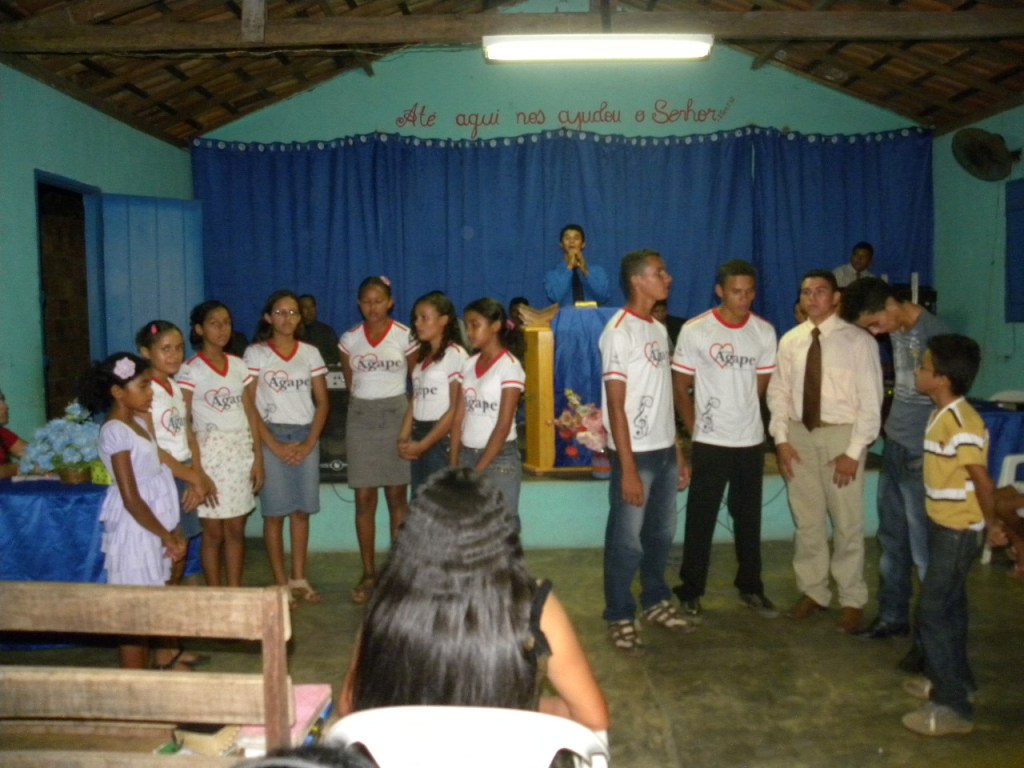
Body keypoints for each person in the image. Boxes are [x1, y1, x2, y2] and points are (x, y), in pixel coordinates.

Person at [339, 468, 610, 741]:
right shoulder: (534, 605)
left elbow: (350, 706)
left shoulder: (387, 597)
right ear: (503, 537)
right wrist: (518, 711)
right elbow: (593, 717)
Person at [766, 270, 882, 634]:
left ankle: (852, 599)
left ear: (835, 298)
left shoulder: (858, 342)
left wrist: (853, 451)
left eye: (820, 291)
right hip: (799, 435)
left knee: (847, 522)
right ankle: (814, 591)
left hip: (841, 436)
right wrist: (781, 440)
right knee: (808, 520)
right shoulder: (791, 340)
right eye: (806, 292)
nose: (812, 297)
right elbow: (778, 392)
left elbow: (871, 402)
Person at [839, 276, 949, 641]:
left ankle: (930, 636)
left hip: (922, 453)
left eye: (874, 323)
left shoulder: (935, 335)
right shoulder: (897, 329)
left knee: (924, 549)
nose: (875, 332)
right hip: (896, 448)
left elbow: (949, 399)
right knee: (891, 540)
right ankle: (892, 616)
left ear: (890, 304)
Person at [900, 334, 998, 736]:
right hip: (943, 524)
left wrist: (992, 526)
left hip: (958, 531)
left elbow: (983, 482)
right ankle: (956, 680)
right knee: (951, 607)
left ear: (941, 379)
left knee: (933, 611)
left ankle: (952, 705)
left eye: (924, 367)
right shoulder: (940, 413)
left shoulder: (962, 423)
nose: (918, 372)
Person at [670, 260, 779, 620]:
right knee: (700, 518)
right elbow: (681, 388)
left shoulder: (764, 332)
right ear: (720, 291)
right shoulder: (696, 330)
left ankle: (751, 586)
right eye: (736, 292)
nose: (743, 298)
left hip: (750, 441)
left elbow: (758, 388)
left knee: (748, 518)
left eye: (749, 292)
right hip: (710, 442)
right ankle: (691, 590)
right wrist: (696, 430)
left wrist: (741, 415)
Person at [599, 249, 693, 654]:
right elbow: (615, 404)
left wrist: (678, 452)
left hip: (664, 451)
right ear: (637, 280)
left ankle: (655, 601)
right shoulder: (618, 331)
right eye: (660, 272)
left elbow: (663, 397)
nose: (668, 278)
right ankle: (619, 614)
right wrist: (628, 468)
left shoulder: (657, 329)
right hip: (634, 456)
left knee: (660, 536)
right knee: (626, 542)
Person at [78, 352, 187, 669]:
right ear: (117, 392)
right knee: (134, 615)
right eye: (143, 386)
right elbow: (131, 497)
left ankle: (154, 671)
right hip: (136, 529)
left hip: (154, 523)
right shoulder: (115, 431)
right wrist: (165, 535)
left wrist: (172, 527)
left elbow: (157, 476)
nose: (150, 392)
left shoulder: (138, 422)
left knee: (151, 605)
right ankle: (133, 683)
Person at [246, 290, 329, 606]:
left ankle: (298, 577)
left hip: (305, 435)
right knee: (275, 514)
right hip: (271, 436)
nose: (287, 318)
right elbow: (249, 404)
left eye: (293, 312)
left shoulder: (310, 353)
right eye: (280, 312)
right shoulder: (256, 354)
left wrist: (309, 443)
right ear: (268, 317)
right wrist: (274, 446)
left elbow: (323, 403)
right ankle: (281, 583)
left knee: (301, 511)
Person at [339, 276, 417, 605]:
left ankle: (396, 573)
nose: (373, 307)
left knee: (397, 496)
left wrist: (407, 423)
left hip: (396, 415)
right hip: (361, 418)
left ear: (390, 302)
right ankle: (369, 573)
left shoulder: (405, 336)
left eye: (379, 301)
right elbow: (351, 382)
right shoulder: (349, 340)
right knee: (364, 498)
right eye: (366, 301)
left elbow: (416, 382)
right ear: (359, 304)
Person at [180, 300, 264, 588]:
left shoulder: (239, 366)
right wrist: (197, 471)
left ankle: (234, 593)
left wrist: (258, 458)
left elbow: (251, 412)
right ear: (199, 329)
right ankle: (216, 596)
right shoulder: (190, 370)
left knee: (236, 529)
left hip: (239, 454)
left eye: (226, 322)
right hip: (209, 457)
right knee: (213, 532)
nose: (222, 329)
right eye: (214, 323)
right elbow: (184, 420)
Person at [450, 298, 525, 525]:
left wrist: (479, 469)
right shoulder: (468, 364)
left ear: (495, 326)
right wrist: (454, 463)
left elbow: (503, 425)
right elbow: (458, 417)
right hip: (467, 455)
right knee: (469, 527)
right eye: (467, 326)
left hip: (499, 459)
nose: (469, 332)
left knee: (500, 527)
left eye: (475, 325)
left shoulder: (509, 366)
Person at [397, 291, 468, 496]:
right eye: (416, 318)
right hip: (420, 433)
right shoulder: (422, 358)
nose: (417, 323)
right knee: (420, 501)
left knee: (439, 503)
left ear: (444, 320)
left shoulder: (455, 355)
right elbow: (416, 399)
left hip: (440, 437)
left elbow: (455, 409)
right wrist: (403, 437)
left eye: (424, 318)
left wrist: (424, 444)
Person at [543, 224, 611, 307]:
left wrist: (585, 271)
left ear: (583, 244)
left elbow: (603, 296)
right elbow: (556, 297)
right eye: (567, 238)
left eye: (576, 238)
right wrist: (569, 268)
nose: (571, 241)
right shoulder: (552, 275)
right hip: (566, 315)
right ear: (561, 244)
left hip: (592, 314)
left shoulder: (598, 271)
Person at [299, 294, 341, 368]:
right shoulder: (294, 332)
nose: (310, 310)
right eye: (305, 307)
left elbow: (336, 356)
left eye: (312, 306)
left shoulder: (326, 331)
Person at [0, 386, 27, 479]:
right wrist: (20, 468)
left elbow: (35, 455)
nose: (6, 407)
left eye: (3, 400)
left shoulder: (3, 434)